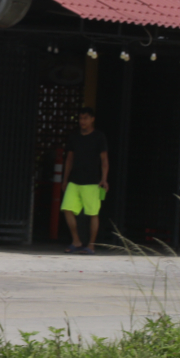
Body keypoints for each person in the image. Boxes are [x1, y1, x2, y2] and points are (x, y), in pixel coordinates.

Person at [61, 107, 109, 254]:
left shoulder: (99, 137)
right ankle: (76, 240)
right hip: (74, 181)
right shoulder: (74, 137)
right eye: (81, 118)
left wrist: (104, 179)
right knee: (67, 209)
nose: (83, 121)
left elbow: (104, 160)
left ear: (92, 119)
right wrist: (65, 180)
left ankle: (91, 245)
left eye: (86, 118)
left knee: (93, 213)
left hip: (92, 182)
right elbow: (69, 159)